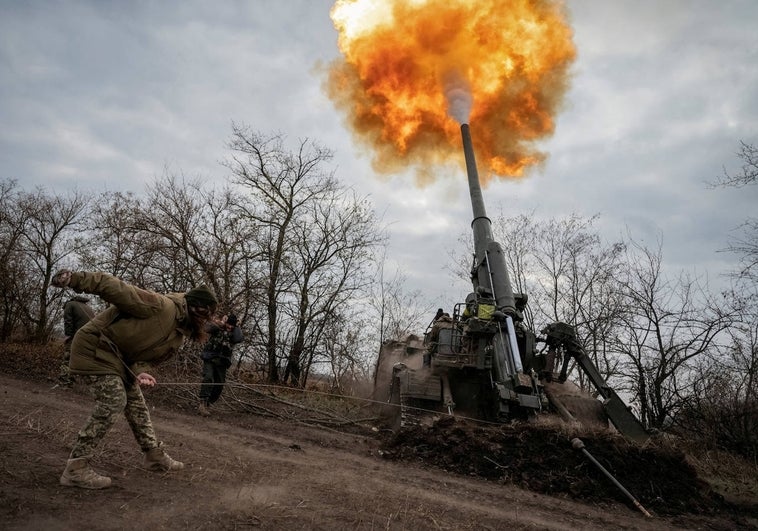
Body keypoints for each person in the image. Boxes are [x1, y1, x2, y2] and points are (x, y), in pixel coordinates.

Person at [49, 269, 218, 489]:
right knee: (114, 401)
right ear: (197, 309)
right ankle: (76, 468)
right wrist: (76, 279)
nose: (207, 323)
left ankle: (154, 456)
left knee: (136, 404)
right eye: (206, 316)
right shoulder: (161, 306)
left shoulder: (178, 334)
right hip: (95, 346)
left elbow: (142, 354)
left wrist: (140, 371)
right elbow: (115, 288)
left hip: (119, 358)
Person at [198, 313, 243, 416]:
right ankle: (202, 403)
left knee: (219, 384)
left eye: (232, 325)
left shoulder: (234, 333)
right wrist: (221, 323)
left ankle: (208, 403)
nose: (229, 327)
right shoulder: (217, 328)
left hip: (222, 362)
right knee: (208, 378)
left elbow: (238, 339)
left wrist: (238, 326)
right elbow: (206, 328)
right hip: (210, 358)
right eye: (228, 324)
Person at [58, 295, 96, 388]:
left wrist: (68, 335)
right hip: (90, 338)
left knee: (68, 358)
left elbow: (68, 321)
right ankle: (90, 383)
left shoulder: (69, 305)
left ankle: (64, 382)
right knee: (84, 360)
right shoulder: (88, 307)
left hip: (77, 336)